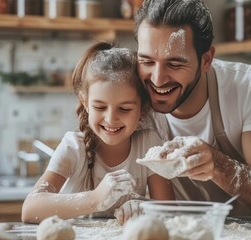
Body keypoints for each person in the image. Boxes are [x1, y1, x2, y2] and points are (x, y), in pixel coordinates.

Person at [134, 0, 251, 216]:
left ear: (206, 60)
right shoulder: (129, 96)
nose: (157, 79)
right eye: (147, 62)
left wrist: (220, 166)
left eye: (174, 64)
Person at [21, 42, 175, 224]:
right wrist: (95, 199)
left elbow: (169, 212)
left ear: (142, 108)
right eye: (100, 107)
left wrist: (144, 207)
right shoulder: (73, 147)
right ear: (85, 103)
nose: (111, 119)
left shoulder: (148, 144)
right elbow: (30, 209)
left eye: (124, 109)